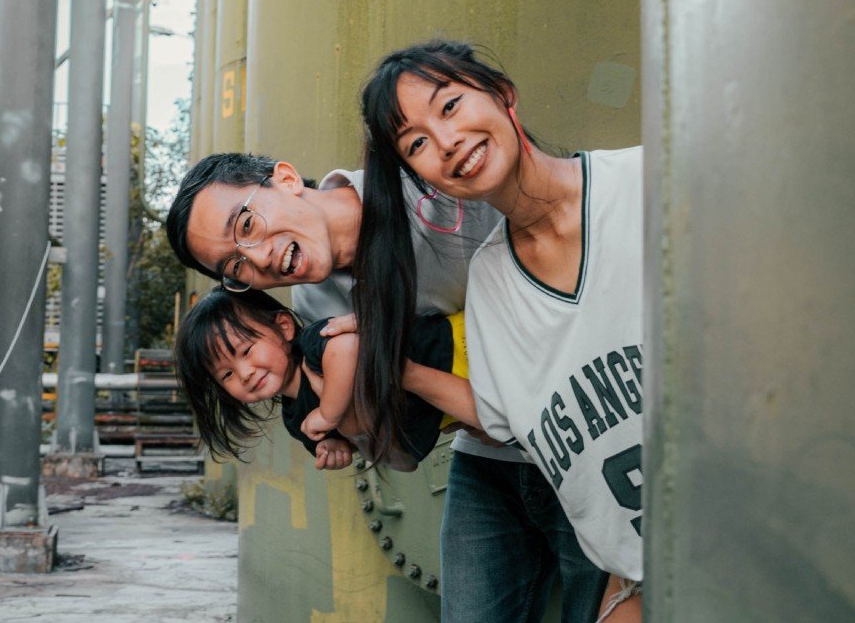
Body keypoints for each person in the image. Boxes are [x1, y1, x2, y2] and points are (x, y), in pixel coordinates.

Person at [167, 153, 605, 621]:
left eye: (247, 225)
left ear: (287, 178)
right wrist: (348, 433)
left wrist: (378, 370)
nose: (255, 258)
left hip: (588, 437)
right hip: (488, 461)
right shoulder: (314, 303)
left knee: (602, 607)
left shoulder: (436, 193)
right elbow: (397, 449)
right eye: (233, 267)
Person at [354, 39, 644, 620]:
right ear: (421, 178)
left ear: (503, 94)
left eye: (450, 106)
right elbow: (499, 421)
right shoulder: (488, 282)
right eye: (416, 143)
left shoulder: (643, 182)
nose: (446, 142)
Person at [172, 285, 478, 471]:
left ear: (283, 328)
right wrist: (337, 449)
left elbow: (350, 346)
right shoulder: (296, 420)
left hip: (461, 347)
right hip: (456, 400)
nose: (245, 373)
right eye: (226, 374)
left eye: (247, 350)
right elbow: (359, 441)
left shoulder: (312, 345)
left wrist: (328, 413)